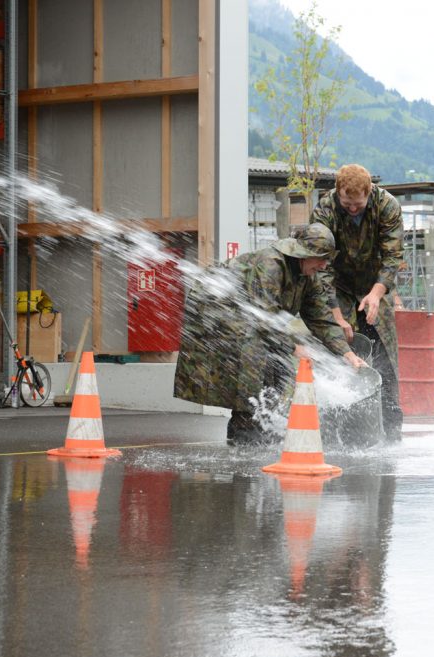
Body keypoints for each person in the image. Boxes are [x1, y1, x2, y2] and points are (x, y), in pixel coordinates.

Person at [173, 223, 366, 445]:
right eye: (320, 258)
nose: (324, 265)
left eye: (327, 259)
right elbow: (263, 315)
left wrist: (347, 353)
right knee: (255, 356)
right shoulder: (270, 265)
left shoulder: (308, 277)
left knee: (279, 365)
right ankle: (244, 430)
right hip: (215, 312)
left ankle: (265, 422)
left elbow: (321, 318)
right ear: (303, 254)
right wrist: (294, 347)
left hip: (248, 319)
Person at [311, 163, 405, 438]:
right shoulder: (325, 209)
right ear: (338, 193)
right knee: (335, 344)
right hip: (337, 284)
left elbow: (392, 257)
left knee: (384, 352)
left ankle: (390, 427)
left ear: (369, 192)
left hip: (376, 282)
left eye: (358, 204)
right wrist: (336, 315)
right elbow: (321, 265)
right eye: (347, 203)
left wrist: (376, 293)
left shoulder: (387, 205)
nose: (352, 208)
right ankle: (335, 426)